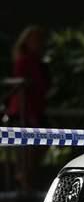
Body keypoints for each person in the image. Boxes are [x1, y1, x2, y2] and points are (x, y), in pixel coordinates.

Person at [6, 25, 49, 191]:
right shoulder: (23, 61)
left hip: (38, 108)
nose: (38, 43)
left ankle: (27, 176)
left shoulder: (39, 62)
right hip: (24, 109)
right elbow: (23, 87)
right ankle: (24, 179)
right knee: (26, 147)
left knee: (41, 144)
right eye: (34, 39)